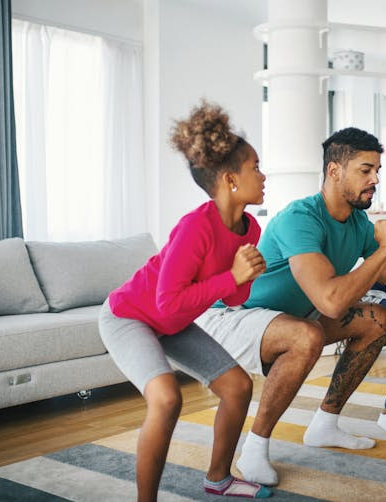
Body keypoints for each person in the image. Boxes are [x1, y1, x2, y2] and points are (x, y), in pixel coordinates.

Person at [196, 127, 386, 486]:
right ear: (334, 171)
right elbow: (331, 303)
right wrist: (383, 251)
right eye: (365, 170)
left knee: (378, 319)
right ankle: (254, 449)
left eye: (377, 170)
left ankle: (325, 425)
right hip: (233, 315)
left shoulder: (358, 223)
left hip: (287, 316)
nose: (375, 179)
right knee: (306, 336)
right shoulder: (299, 218)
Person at [98, 101, 272, 500]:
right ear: (230, 179)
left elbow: (233, 297)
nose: (263, 176)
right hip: (130, 316)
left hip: (171, 321)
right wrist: (232, 274)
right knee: (166, 397)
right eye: (255, 167)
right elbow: (167, 304)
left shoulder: (250, 227)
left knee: (238, 387)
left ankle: (218, 479)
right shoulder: (195, 227)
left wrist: (243, 277)